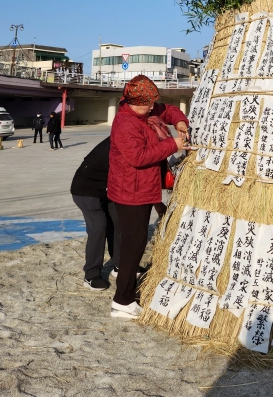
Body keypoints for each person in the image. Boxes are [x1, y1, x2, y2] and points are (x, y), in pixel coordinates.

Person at [107, 75, 189, 320]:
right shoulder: (126, 123)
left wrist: (181, 123)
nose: (153, 107)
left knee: (137, 241)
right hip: (130, 192)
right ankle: (122, 301)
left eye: (153, 103)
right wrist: (173, 144)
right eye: (148, 104)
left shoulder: (146, 112)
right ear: (133, 101)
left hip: (142, 189)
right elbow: (139, 157)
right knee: (134, 245)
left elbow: (170, 110)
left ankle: (125, 295)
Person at [71, 137, 121, 290]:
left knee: (119, 221)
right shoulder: (121, 141)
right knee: (99, 227)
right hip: (86, 190)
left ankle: (119, 265)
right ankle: (91, 275)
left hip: (107, 189)